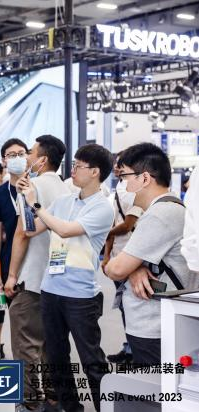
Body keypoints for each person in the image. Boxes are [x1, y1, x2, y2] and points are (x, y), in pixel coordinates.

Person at [19, 143, 114, 412]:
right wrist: (24, 197)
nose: (72, 170)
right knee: (57, 358)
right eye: (73, 164)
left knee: (91, 359)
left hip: (81, 296)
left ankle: (106, 408)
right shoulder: (64, 201)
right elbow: (31, 229)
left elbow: (64, 230)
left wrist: (35, 203)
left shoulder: (102, 208)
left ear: (95, 172)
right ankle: (70, 408)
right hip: (51, 289)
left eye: (78, 166)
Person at [104, 143, 196, 365]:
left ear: (144, 178)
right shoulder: (169, 207)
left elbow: (115, 269)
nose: (122, 184)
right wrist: (134, 268)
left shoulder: (160, 214)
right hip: (160, 321)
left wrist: (124, 267)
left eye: (124, 176)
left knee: (155, 384)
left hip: (154, 325)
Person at [4, 135, 70, 412]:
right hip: (58, 278)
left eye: (30, 153)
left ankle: (29, 403)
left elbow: (23, 232)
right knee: (50, 343)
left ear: (42, 160)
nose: (25, 157)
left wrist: (11, 275)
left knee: (26, 344)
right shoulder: (66, 188)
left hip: (31, 276)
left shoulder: (32, 187)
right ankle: (54, 398)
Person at [0, 138, 29, 359]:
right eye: (12, 155)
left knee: (33, 320)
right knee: (11, 313)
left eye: (21, 153)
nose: (17, 158)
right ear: (4, 161)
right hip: (8, 260)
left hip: (35, 260)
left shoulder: (36, 188)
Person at [102, 152, 143, 364]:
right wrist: (107, 256)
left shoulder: (137, 191)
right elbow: (114, 225)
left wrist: (106, 233)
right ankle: (129, 348)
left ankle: (135, 352)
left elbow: (127, 225)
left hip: (134, 259)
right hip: (118, 258)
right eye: (117, 164)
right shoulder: (118, 190)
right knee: (124, 306)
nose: (117, 168)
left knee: (135, 307)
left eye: (121, 165)